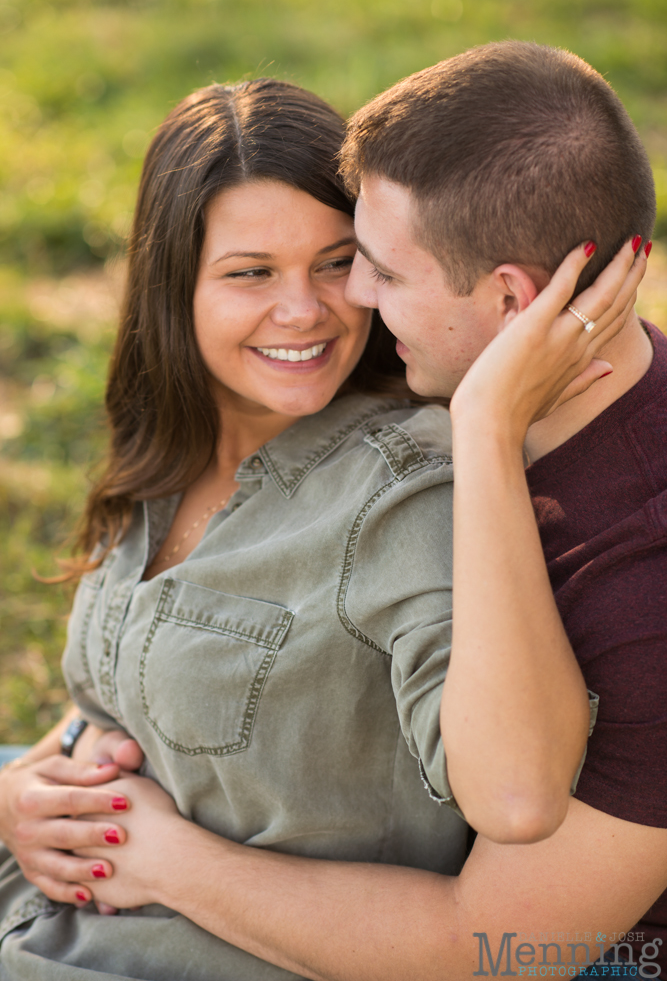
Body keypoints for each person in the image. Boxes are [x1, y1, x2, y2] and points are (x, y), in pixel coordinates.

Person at [0, 63, 649, 981]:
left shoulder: (404, 493)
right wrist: (25, 794)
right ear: (170, 290)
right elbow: (121, 688)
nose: (310, 310)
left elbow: (509, 843)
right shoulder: (178, 445)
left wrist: (484, 430)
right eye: (250, 273)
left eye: (343, 264)